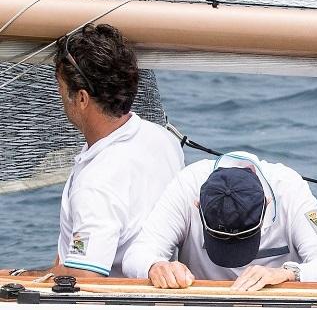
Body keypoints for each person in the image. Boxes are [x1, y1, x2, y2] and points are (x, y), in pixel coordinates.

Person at [2, 24, 183, 279]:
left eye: (62, 88)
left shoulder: (96, 182)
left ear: (83, 98)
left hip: (106, 309)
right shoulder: (163, 139)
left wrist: (18, 275)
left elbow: (84, 276)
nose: (59, 95)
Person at [122, 151, 317, 290]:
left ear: (266, 203)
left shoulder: (290, 188)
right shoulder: (186, 186)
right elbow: (136, 255)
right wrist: (155, 266)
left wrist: (288, 273)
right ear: (197, 204)